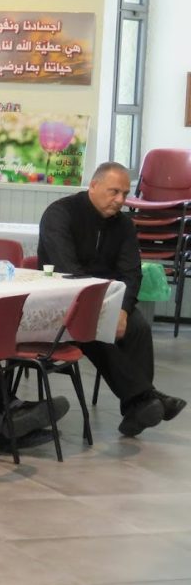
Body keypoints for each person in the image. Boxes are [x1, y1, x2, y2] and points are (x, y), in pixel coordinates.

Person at [39, 161, 186, 437]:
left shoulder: (124, 226)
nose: (120, 200)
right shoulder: (60, 214)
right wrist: (105, 312)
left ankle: (137, 409)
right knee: (94, 330)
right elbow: (68, 270)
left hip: (106, 302)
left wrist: (123, 310)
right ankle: (144, 399)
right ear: (93, 186)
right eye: (114, 192)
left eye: (125, 193)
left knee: (139, 326)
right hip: (61, 303)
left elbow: (132, 273)